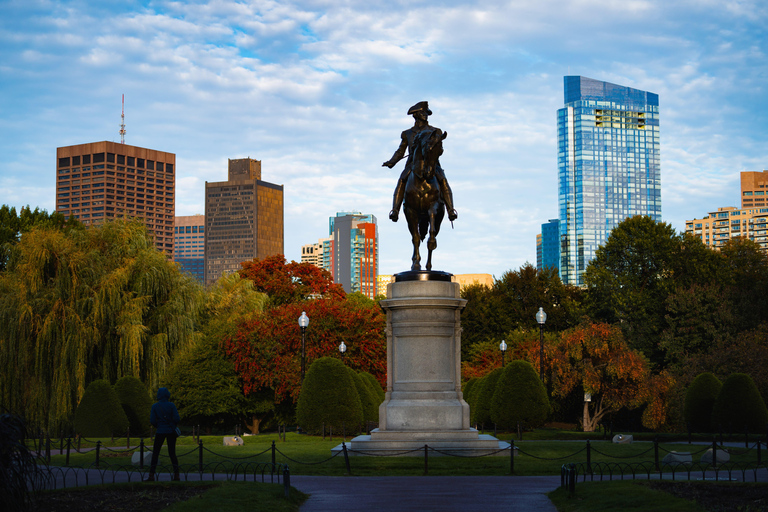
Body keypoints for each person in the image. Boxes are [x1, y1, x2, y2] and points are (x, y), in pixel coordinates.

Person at [382, 101, 457, 223]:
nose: (425, 115)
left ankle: (450, 210)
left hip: (432, 164)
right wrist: (392, 162)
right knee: (402, 179)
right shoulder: (408, 133)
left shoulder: (435, 131)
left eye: (426, 113)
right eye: (423, 113)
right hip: (413, 165)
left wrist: (435, 149)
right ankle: (395, 210)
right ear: (415, 115)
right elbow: (401, 151)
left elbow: (441, 150)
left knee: (443, 180)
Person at [145, 387, 180, 482]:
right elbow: (177, 418)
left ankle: (151, 475)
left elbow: (152, 420)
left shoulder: (155, 406)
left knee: (155, 453)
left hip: (160, 431)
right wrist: (172, 424)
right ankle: (176, 475)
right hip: (171, 432)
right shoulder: (171, 405)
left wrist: (159, 425)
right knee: (172, 453)